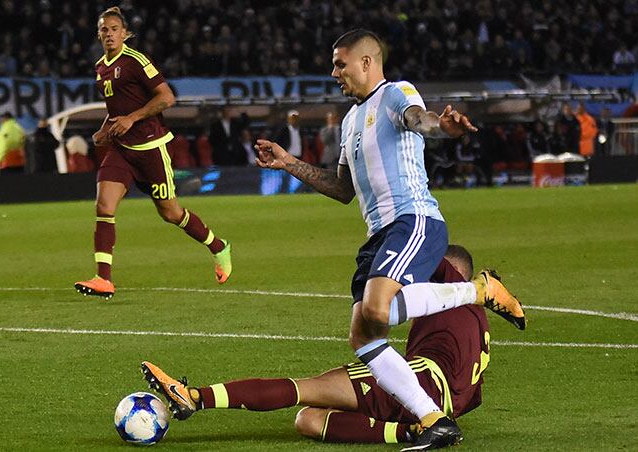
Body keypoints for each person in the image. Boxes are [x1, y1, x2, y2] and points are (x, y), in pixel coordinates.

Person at [252, 29, 525, 450]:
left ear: (366, 62)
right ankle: (434, 420)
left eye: (340, 63)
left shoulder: (396, 93)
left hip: (412, 219)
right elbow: (343, 189)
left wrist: (443, 127)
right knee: (364, 336)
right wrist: (289, 163)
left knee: (377, 312)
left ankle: (478, 290)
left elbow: (421, 120)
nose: (334, 72)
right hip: (377, 237)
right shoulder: (349, 121)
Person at [142, 245, 491, 447]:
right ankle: (409, 431)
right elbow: (472, 396)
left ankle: (196, 398)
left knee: (306, 389)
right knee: (308, 421)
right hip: (441, 404)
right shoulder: (478, 320)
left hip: (422, 383)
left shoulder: (453, 283)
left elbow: (421, 240)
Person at [74, 7, 232, 300]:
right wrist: (103, 130)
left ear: (125, 33)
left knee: (171, 213)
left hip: (150, 148)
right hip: (121, 150)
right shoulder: (100, 68)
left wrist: (132, 119)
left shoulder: (136, 61)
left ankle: (218, 246)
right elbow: (115, 112)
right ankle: (103, 278)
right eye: (104, 30)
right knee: (104, 207)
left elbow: (167, 97)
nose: (109, 34)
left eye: (114, 29)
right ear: (99, 35)